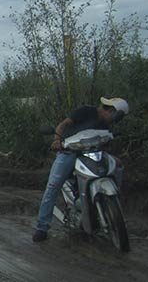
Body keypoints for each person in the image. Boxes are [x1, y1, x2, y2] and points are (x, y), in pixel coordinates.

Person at [32, 97, 129, 242]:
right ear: (109, 110)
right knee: (53, 185)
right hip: (69, 152)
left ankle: (111, 201)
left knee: (118, 165)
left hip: (94, 152)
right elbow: (63, 125)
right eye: (115, 116)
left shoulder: (106, 124)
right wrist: (57, 140)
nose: (115, 120)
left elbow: (105, 140)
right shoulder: (85, 111)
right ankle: (42, 227)